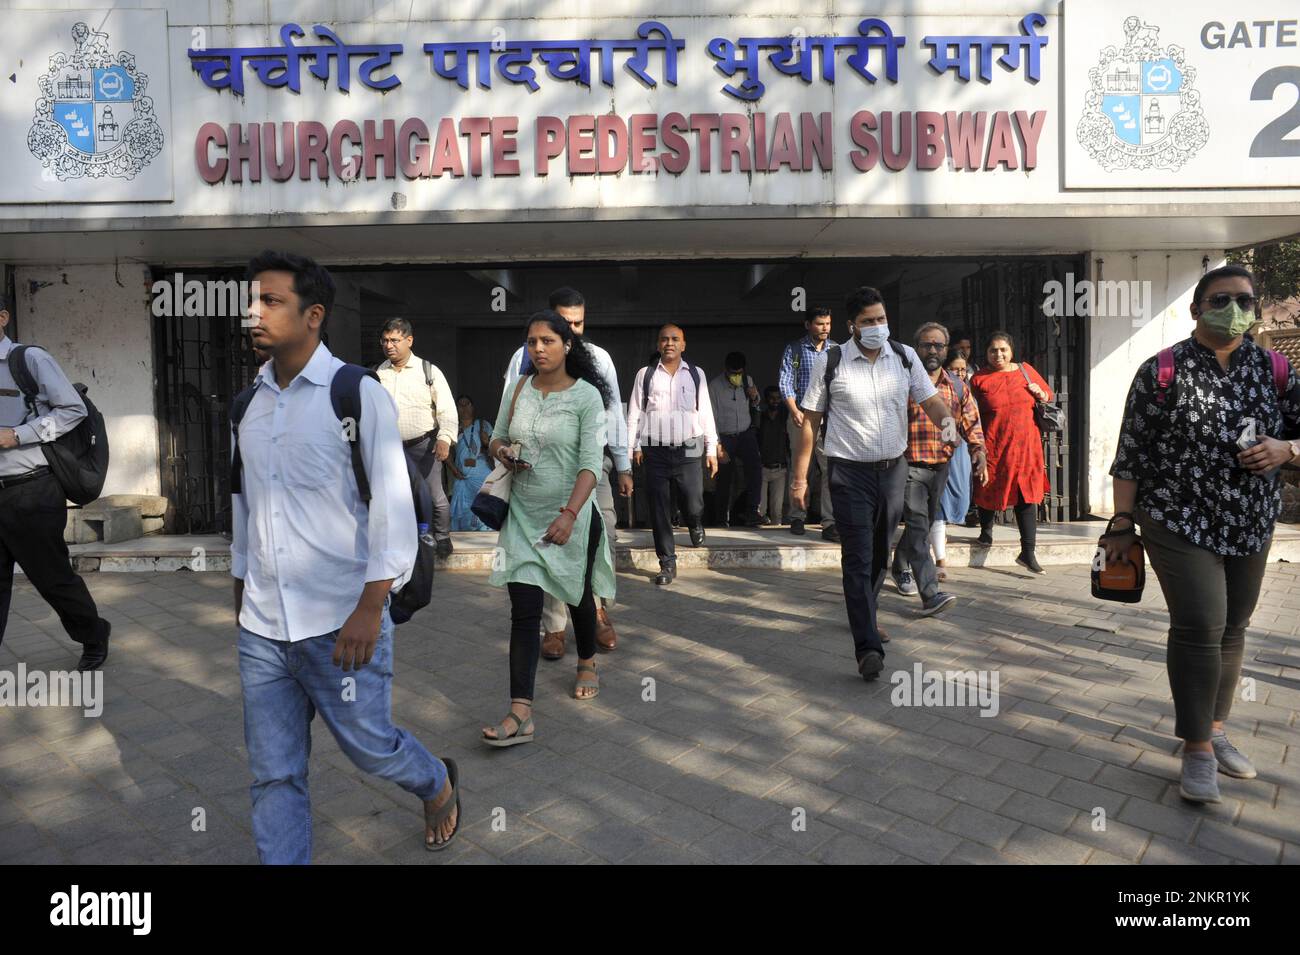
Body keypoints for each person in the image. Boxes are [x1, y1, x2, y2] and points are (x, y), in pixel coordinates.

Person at [232, 251, 459, 861]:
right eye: (253, 300)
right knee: (274, 774)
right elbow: (244, 508)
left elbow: (392, 507)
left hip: (341, 620)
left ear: (313, 316)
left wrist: (370, 605)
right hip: (262, 630)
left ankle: (434, 780)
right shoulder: (245, 406)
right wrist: (239, 590)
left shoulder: (356, 393)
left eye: (271, 301)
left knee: (370, 748)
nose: (254, 312)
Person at [1103, 264, 1300, 805]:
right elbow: (1131, 454)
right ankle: (1196, 749)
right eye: (1220, 299)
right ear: (1195, 309)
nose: (1233, 309)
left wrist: (1289, 450)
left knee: (1234, 625)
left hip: (1252, 520)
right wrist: (1122, 524)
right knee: (1200, 625)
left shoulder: (1276, 369)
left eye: (1244, 300)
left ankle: (1214, 728)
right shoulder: (1161, 370)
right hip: (1177, 519)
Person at [793, 287, 956, 680]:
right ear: (853, 326)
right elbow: (810, 423)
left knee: (880, 550)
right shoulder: (832, 361)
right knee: (859, 555)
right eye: (869, 321)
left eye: (881, 319)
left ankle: (866, 612)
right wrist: (800, 478)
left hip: (892, 471)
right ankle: (867, 646)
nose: (878, 327)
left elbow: (930, 399)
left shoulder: (903, 356)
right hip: (848, 473)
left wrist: (948, 425)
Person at [482, 310, 617, 746]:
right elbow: (496, 436)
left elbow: (590, 465)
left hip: (571, 515)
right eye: (532, 342)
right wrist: (503, 451)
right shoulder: (517, 389)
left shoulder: (587, 398)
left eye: (547, 341)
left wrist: (571, 515)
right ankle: (520, 712)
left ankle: (587, 660)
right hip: (521, 516)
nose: (538, 349)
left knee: (576, 597)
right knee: (525, 612)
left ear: (567, 346)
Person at [504, 287, 629, 656]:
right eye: (565, 323)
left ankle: (597, 610)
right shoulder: (523, 359)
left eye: (578, 323)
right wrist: (506, 451)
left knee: (600, 531)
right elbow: (508, 415)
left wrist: (622, 464)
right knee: (548, 543)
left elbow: (614, 413)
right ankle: (554, 627)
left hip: (592, 465)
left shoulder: (598, 359)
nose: (572, 331)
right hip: (537, 473)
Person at [0, 298, 112, 671]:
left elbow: (72, 410)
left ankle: (93, 634)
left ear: (2, 318)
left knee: (51, 578)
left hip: (30, 490)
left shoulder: (28, 360)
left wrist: (17, 435)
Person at [890, 323, 988, 614]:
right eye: (926, 345)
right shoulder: (902, 382)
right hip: (908, 465)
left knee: (926, 521)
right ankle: (930, 593)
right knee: (920, 526)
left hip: (940, 467)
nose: (932, 351)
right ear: (916, 348)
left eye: (938, 346)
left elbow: (972, 422)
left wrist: (978, 451)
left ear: (947, 350)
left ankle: (899, 565)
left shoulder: (957, 386)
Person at [627, 324, 719, 586]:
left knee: (693, 499)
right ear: (658, 345)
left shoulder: (696, 375)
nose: (669, 343)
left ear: (683, 345)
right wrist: (634, 447)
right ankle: (667, 562)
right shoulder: (645, 375)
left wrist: (711, 449)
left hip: (689, 447)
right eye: (664, 339)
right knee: (659, 509)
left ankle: (695, 521)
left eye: (675, 339)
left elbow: (706, 414)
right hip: (655, 450)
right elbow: (635, 414)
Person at [970, 331, 1053, 574]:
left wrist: (1041, 393)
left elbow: (1049, 395)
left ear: (1012, 351)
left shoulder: (1025, 370)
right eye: (993, 350)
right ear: (986, 354)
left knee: (1027, 494)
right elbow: (969, 412)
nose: (999, 354)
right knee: (988, 485)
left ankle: (1028, 552)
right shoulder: (979, 379)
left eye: (1003, 350)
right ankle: (986, 532)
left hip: (1027, 447)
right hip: (994, 445)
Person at [376, 318, 458, 558]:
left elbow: (447, 409)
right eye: (385, 340)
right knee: (396, 495)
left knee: (434, 495)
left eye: (394, 340)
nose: (388, 345)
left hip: (425, 445)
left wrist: (444, 439)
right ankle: (406, 538)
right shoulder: (378, 373)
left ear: (409, 341)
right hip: (390, 449)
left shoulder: (429, 371)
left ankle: (442, 537)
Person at [779, 306, 836, 539]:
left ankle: (830, 522)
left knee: (830, 469)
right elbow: (785, 382)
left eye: (828, 324)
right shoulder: (795, 350)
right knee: (800, 468)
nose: (825, 328)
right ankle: (796, 517)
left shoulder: (837, 350)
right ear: (808, 325)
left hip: (829, 421)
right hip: (801, 417)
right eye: (820, 323)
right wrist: (793, 410)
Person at [932, 352, 977, 579]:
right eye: (955, 369)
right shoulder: (930, 387)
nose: (960, 373)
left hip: (959, 454)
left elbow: (974, 424)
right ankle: (940, 559)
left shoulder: (964, 391)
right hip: (933, 452)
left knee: (959, 497)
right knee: (937, 507)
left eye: (963, 369)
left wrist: (978, 450)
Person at [708, 351, 763, 527]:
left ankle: (752, 511)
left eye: (739, 373)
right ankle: (721, 519)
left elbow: (756, 405)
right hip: (725, 436)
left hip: (746, 434)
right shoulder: (715, 386)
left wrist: (754, 396)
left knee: (755, 471)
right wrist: (717, 444)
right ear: (725, 369)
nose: (736, 376)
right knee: (724, 478)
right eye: (733, 373)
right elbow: (711, 417)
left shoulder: (748, 380)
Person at [447, 394, 494, 532]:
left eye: (467, 404)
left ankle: (485, 534)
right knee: (463, 508)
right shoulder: (452, 429)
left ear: (473, 407)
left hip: (482, 474)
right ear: (456, 408)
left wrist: (487, 442)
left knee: (483, 505)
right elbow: (446, 453)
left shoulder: (483, 425)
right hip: (461, 475)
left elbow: (496, 449)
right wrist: (453, 469)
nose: (464, 408)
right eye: (460, 405)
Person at [757, 385, 789, 525]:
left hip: (780, 468)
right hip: (762, 468)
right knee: (759, 511)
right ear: (766, 399)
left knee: (777, 512)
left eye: (778, 398)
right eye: (772, 398)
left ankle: (778, 542)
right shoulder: (760, 417)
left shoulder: (786, 417)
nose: (775, 401)